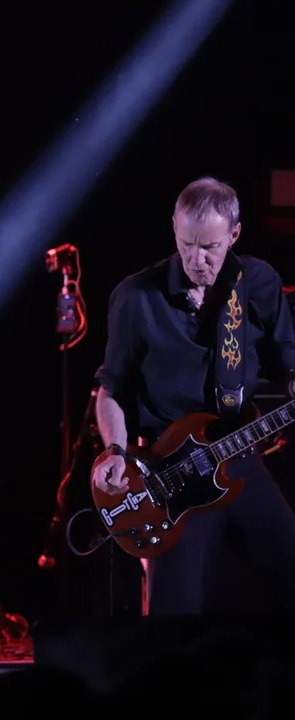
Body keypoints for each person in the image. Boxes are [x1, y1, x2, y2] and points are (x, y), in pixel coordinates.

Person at [91, 176, 295, 615]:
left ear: (234, 235)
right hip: (168, 476)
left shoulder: (258, 282)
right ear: (174, 227)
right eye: (186, 244)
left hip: (239, 458)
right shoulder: (135, 297)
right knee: (174, 614)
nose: (196, 259)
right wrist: (114, 452)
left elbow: (288, 364)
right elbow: (111, 391)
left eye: (210, 247)